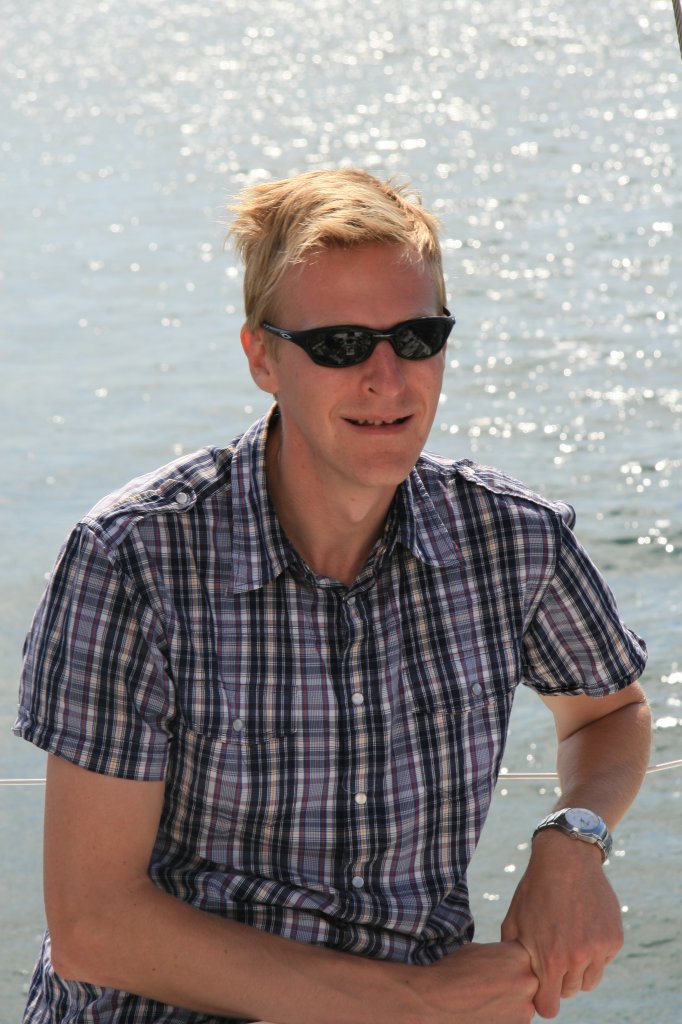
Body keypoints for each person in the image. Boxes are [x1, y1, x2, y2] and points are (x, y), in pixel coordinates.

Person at [14, 168, 651, 1024]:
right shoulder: (132, 562)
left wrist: (574, 841)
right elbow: (96, 925)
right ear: (262, 357)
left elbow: (611, 712)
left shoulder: (512, 541)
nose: (389, 379)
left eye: (417, 337)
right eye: (342, 345)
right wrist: (412, 1000)